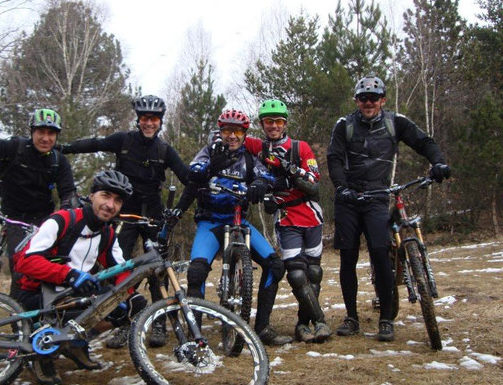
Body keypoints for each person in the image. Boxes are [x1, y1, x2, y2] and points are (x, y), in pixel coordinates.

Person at [59, 95, 189, 349]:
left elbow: (187, 177)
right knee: (121, 269)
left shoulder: (164, 150)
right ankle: (125, 321)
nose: (148, 123)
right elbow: (95, 144)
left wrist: (198, 190)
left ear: (160, 122)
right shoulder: (124, 141)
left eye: (153, 119)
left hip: (153, 214)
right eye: (144, 118)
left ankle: (160, 323)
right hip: (124, 214)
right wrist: (65, 148)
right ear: (138, 119)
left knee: (157, 270)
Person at [327, 76, 451, 342]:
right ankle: (352, 317)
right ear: (357, 101)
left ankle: (386, 319)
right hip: (349, 198)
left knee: (381, 254)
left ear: (383, 100)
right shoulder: (344, 125)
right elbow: (334, 158)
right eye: (363, 98)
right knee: (348, 257)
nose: (369, 103)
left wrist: (438, 162)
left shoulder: (396, 122)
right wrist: (341, 187)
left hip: (378, 196)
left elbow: (424, 142)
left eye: (374, 98)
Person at [14, 170, 147, 385]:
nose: (110, 205)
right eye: (105, 196)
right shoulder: (62, 220)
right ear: (92, 195)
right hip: (38, 294)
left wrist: (126, 295)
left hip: (74, 294)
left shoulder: (107, 232)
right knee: (55, 317)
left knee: (133, 304)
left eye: (117, 201)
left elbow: (121, 269)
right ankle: (40, 355)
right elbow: (25, 262)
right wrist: (68, 275)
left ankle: (75, 345)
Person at [174, 109, 291, 346]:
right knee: (196, 272)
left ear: (244, 133)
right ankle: (194, 335)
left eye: (237, 131)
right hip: (211, 221)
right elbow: (192, 173)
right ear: (221, 131)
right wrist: (210, 168)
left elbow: (266, 176)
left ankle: (263, 328)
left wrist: (259, 184)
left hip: (239, 220)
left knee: (275, 266)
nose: (232, 136)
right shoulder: (208, 151)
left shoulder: (249, 158)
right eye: (227, 130)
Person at [0, 108, 79, 298]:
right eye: (40, 132)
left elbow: (69, 193)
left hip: (41, 222)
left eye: (51, 133)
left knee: (26, 268)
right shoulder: (14, 148)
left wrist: (66, 217)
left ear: (56, 136)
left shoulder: (58, 161)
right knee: (9, 263)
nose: (45, 138)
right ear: (32, 132)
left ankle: (19, 316)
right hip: (10, 216)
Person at [244, 99, 331, 343]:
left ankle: (303, 324)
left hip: (311, 213)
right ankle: (321, 321)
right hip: (286, 217)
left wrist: (288, 170)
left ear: (285, 124)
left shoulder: (300, 147)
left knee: (314, 272)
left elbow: (314, 184)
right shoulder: (257, 146)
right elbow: (232, 135)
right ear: (261, 124)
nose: (273, 126)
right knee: (296, 274)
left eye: (278, 121)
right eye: (269, 121)